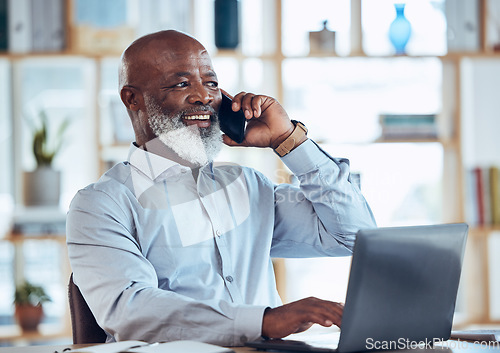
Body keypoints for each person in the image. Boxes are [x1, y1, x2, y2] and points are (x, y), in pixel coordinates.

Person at [66, 30, 376, 346]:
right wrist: (264, 321)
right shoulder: (101, 204)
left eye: (212, 83)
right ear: (132, 98)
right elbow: (130, 312)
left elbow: (353, 234)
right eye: (181, 83)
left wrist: (289, 140)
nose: (204, 96)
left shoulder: (251, 186)